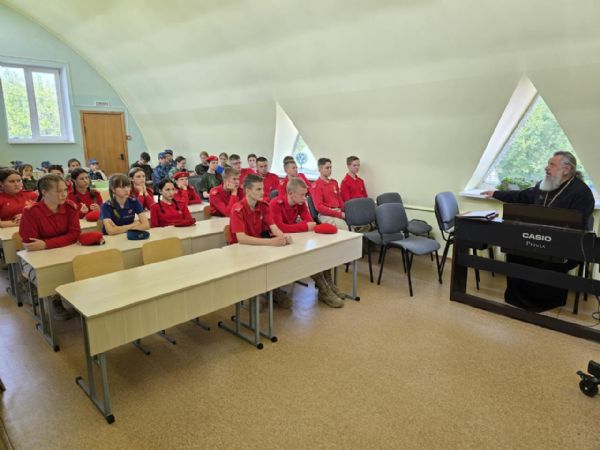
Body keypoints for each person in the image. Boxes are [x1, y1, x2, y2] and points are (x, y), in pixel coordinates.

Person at [481, 151, 595, 312]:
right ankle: (517, 299)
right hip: (537, 238)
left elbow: (578, 225)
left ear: (566, 169)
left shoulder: (581, 192)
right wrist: (495, 193)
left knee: (544, 258)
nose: (546, 167)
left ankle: (543, 303)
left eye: (552, 164)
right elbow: (522, 196)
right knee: (515, 252)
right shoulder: (545, 185)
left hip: (564, 246)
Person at [269, 177, 345, 308]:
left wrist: (302, 226)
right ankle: (324, 290)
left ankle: (329, 285)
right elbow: (280, 227)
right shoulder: (276, 203)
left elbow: (310, 222)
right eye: (302, 195)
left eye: (305, 195)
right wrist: (303, 226)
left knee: (321, 251)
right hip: (276, 242)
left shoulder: (300, 203)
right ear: (291, 193)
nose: (305, 198)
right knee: (309, 257)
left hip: (293, 239)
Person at [19, 174, 81, 320]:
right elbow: (31, 244)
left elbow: (74, 235)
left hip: (64, 252)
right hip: (37, 259)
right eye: (59, 191)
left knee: (81, 266)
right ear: (44, 192)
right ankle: (54, 300)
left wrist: (46, 243)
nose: (64, 194)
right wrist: (61, 241)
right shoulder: (31, 212)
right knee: (52, 274)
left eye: (65, 190)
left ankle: (76, 299)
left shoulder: (70, 207)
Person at [229, 173, 291, 246]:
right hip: (240, 248)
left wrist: (283, 237)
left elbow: (274, 228)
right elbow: (241, 239)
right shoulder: (237, 210)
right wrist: (270, 242)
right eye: (258, 189)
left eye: (262, 189)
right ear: (248, 191)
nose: (262, 192)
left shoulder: (264, 206)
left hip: (258, 245)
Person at [311, 158, 347, 229]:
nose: (330, 169)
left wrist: (344, 211)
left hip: (338, 211)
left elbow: (339, 199)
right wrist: (339, 214)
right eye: (327, 168)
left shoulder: (334, 182)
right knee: (344, 227)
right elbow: (319, 207)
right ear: (320, 169)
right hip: (326, 214)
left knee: (354, 221)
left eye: (330, 167)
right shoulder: (316, 186)